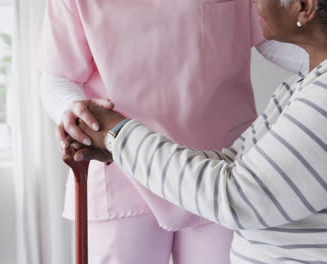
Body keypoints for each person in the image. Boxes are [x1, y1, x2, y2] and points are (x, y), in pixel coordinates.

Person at [38, 0, 307, 263]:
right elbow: (59, 75)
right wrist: (70, 107)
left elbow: (273, 35)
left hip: (219, 173)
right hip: (121, 168)